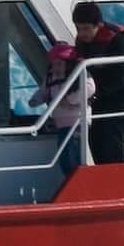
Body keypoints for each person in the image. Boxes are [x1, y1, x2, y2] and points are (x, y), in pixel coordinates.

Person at [72, 1, 124, 166]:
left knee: (112, 132)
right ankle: (103, 171)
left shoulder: (118, 39)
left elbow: (121, 78)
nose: (81, 33)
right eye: (78, 28)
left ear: (98, 24)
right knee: (95, 135)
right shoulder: (83, 41)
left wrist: (94, 94)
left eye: (85, 29)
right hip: (102, 89)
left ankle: (116, 173)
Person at [38, 30, 94, 180]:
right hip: (62, 123)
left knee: (73, 156)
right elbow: (44, 90)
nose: (57, 66)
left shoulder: (78, 74)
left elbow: (89, 88)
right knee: (65, 157)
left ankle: (79, 183)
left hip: (77, 122)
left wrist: (71, 99)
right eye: (54, 63)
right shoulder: (52, 77)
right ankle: (73, 181)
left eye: (60, 63)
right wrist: (36, 100)